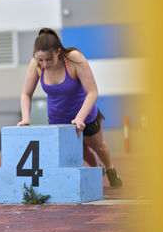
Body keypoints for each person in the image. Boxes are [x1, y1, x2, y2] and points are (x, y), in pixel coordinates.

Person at [17, 28, 122, 188]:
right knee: (80, 150)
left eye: (48, 59)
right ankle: (95, 170)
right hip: (58, 118)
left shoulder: (74, 59)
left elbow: (92, 92)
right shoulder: (36, 64)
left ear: (58, 52)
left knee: (97, 146)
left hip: (85, 114)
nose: (44, 64)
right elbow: (26, 93)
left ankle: (110, 169)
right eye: (40, 60)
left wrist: (80, 117)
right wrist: (26, 117)